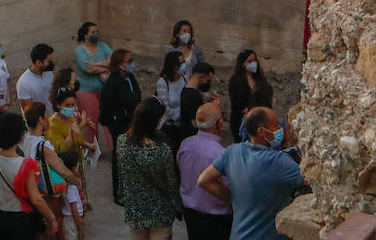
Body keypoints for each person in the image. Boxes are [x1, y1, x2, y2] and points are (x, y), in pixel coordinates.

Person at [196, 106, 303, 240]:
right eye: (275, 125)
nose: (280, 128)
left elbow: (204, 180)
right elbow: (316, 180)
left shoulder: (232, 152)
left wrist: (233, 197)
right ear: (261, 132)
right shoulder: (278, 161)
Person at [0, 112, 58, 240]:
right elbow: (36, 199)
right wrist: (51, 218)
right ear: (20, 137)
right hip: (21, 221)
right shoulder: (26, 165)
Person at [116, 97, 179, 239]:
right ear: (155, 122)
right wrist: (178, 207)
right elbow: (171, 184)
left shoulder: (122, 143)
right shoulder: (163, 150)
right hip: (160, 214)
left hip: (135, 212)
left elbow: (122, 175)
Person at [20, 103, 85, 238]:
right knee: (52, 227)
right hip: (47, 194)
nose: (48, 119)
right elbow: (62, 170)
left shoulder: (25, 139)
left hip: (31, 190)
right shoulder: (43, 145)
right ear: (40, 120)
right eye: (46, 116)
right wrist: (75, 180)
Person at [177, 102, 233, 238]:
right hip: (216, 218)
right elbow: (228, 187)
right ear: (219, 124)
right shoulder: (221, 154)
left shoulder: (185, 145)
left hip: (191, 213)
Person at [45, 89, 92, 238]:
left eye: (73, 104)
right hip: (66, 168)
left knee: (78, 200)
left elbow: (78, 137)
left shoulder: (72, 118)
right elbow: (58, 150)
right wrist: (72, 134)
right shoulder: (53, 125)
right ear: (58, 105)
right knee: (70, 204)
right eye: (67, 105)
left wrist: (86, 144)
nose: (71, 108)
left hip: (77, 165)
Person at [98, 48, 140, 206]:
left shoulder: (129, 77)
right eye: (129, 62)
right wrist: (113, 124)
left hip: (133, 123)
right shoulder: (112, 83)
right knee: (120, 159)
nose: (132, 64)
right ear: (119, 64)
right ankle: (119, 192)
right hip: (120, 125)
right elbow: (105, 107)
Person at [73, 22, 112, 146]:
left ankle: (113, 148)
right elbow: (88, 69)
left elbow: (114, 60)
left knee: (109, 119)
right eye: (93, 32)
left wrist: (95, 64)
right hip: (86, 91)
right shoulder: (79, 50)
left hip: (104, 89)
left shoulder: (103, 46)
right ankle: (92, 148)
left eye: (97, 32)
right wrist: (106, 67)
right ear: (85, 35)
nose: (96, 34)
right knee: (91, 122)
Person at [228, 49, 271, 143]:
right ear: (243, 64)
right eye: (250, 61)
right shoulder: (235, 80)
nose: (253, 63)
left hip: (259, 121)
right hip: (240, 121)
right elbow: (235, 103)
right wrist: (249, 111)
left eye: (254, 60)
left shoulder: (260, 79)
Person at [153, 50, 187, 149]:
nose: (184, 65)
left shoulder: (185, 79)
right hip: (170, 125)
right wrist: (179, 117)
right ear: (173, 65)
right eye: (181, 63)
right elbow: (165, 108)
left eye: (184, 62)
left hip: (184, 124)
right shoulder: (163, 82)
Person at [17, 44, 55, 114]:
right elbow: (28, 111)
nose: (51, 63)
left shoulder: (49, 73)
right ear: (38, 62)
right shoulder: (23, 82)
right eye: (48, 61)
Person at [179, 62, 217, 131]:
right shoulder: (192, 95)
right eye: (207, 80)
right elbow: (195, 123)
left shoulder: (186, 90)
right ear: (200, 76)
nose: (206, 83)